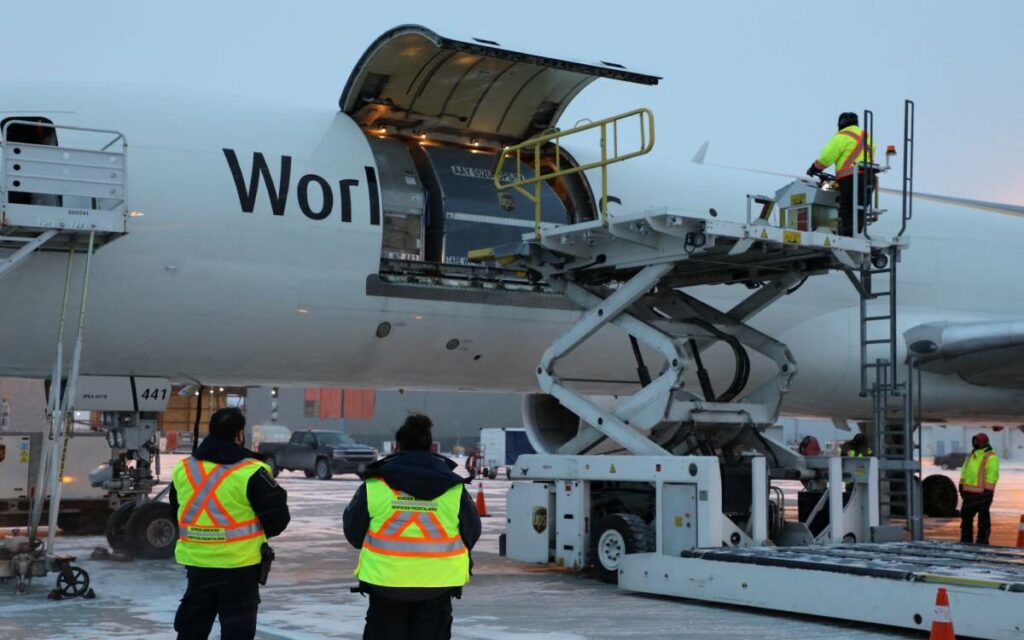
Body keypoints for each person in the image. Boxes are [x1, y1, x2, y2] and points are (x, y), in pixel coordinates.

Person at [344, 414, 481, 640]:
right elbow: (472, 533)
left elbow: (353, 534)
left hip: (385, 585)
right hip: (438, 586)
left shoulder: (374, 486)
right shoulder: (453, 488)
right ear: (430, 446)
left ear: (397, 446)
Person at [170, 407, 290, 640]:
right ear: (239, 435)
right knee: (237, 632)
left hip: (197, 566)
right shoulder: (252, 472)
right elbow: (278, 520)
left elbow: (176, 513)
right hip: (239, 568)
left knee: (191, 630)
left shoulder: (183, 468)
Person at [807, 112, 878, 236]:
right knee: (859, 210)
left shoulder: (842, 136)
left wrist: (815, 168)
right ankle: (856, 235)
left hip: (850, 179)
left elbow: (826, 157)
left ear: (841, 123)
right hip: (868, 179)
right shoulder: (868, 137)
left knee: (847, 209)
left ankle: (846, 236)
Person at [960, 432, 999, 544]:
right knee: (966, 519)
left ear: (984, 443)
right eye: (974, 441)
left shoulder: (991, 457)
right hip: (969, 494)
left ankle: (982, 541)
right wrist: (961, 485)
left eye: (977, 441)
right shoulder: (971, 456)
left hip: (983, 494)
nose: (975, 443)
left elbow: (992, 475)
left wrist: (988, 492)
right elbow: (964, 471)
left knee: (983, 521)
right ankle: (966, 541)